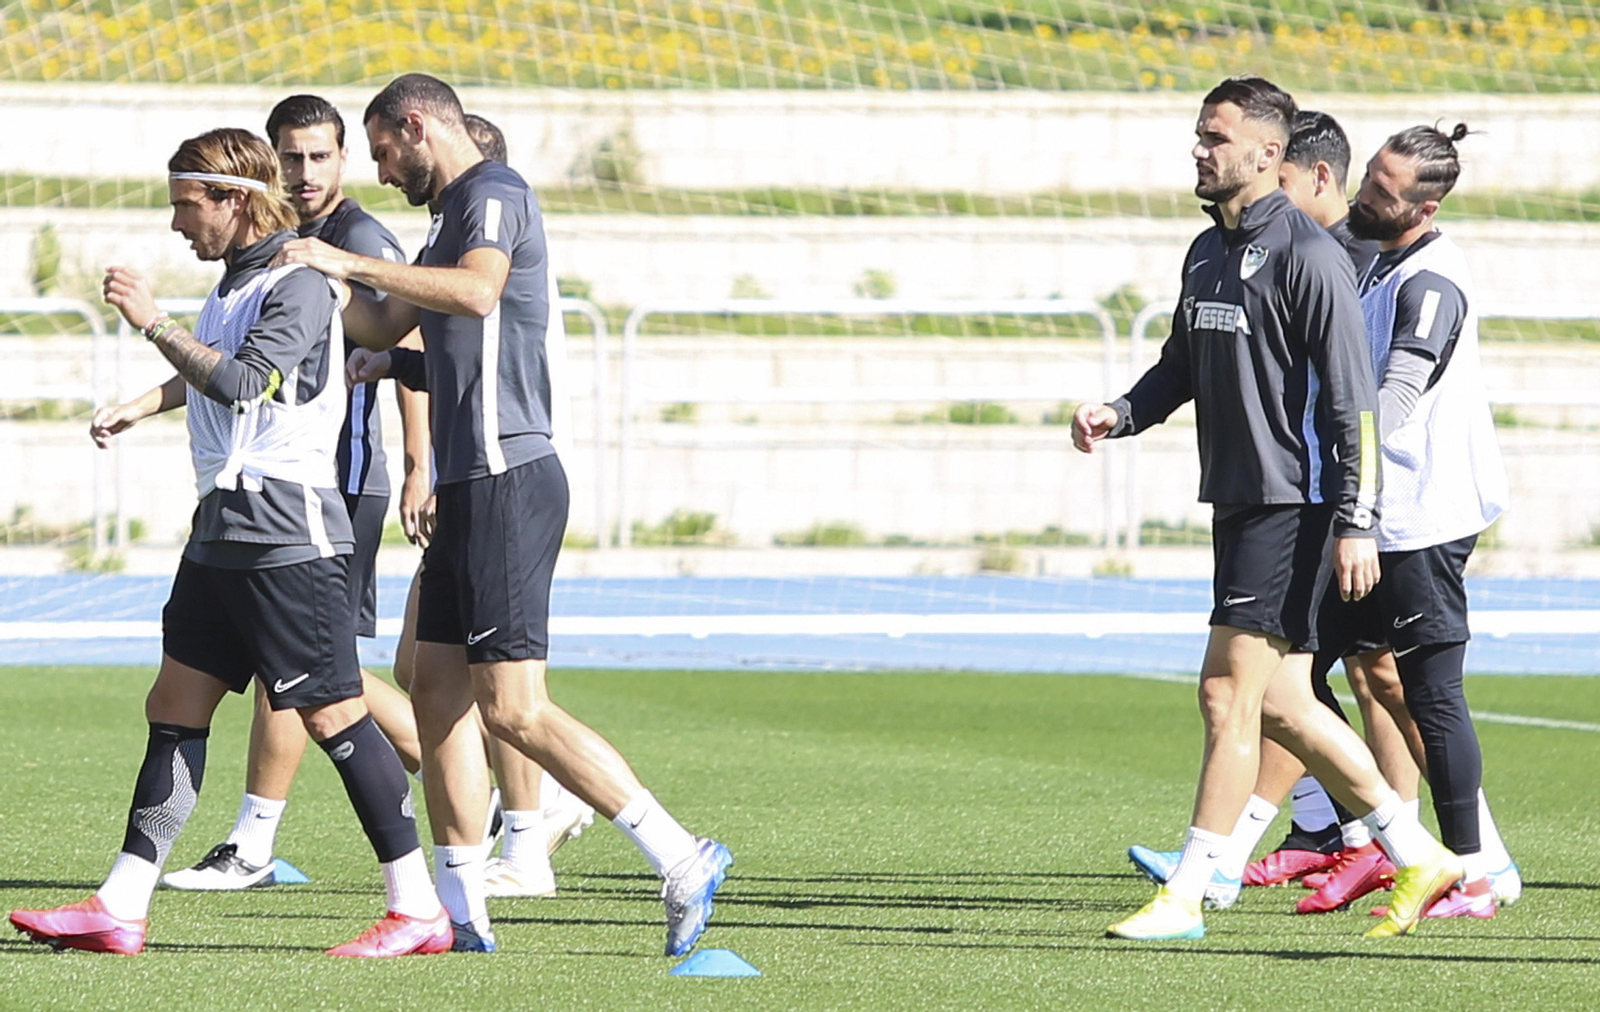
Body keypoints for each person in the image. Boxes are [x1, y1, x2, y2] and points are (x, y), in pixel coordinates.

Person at [277, 74, 730, 956]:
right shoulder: (447, 216)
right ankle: (452, 913)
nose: (381, 169)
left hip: (508, 477)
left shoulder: (493, 193)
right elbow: (382, 324)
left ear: (416, 126)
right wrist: (305, 283)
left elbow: (479, 294)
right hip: (471, 483)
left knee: (514, 709)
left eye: (381, 151)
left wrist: (348, 261)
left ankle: (680, 855)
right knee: (435, 691)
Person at [10, 128, 450, 958]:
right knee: (173, 708)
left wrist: (151, 322)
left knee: (337, 716)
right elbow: (214, 368)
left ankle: (419, 904)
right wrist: (142, 403)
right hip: (220, 532)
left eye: (187, 206)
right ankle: (122, 903)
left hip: (288, 537)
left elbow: (249, 383)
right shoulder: (237, 280)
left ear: (233, 201)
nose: (178, 223)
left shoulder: (297, 280)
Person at [1074, 76, 1457, 942]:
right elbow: (1180, 365)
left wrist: (1356, 520)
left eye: (1216, 136)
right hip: (1241, 502)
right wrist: (1121, 411)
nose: (1200, 149)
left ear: (1267, 153)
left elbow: (1354, 402)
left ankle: (1188, 892)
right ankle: (1417, 851)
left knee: (1224, 693)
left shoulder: (1308, 255)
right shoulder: (1206, 250)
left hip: (1297, 503)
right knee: (1284, 701)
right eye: (1200, 135)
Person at [160, 93, 431, 892]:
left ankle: (462, 801)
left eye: (320, 156)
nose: (305, 172)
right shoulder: (269, 255)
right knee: (302, 673)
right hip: (268, 488)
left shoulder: (351, 241)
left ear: (342, 159)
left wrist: (419, 460)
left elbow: (402, 334)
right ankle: (223, 849)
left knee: (320, 681)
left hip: (328, 483)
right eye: (292, 157)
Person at [1316, 122, 1517, 920]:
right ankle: (1401, 844)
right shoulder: (1381, 257)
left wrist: (1354, 509)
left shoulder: (1431, 281)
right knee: (1292, 677)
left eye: (1386, 191)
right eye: (1371, 175)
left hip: (1416, 517)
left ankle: (1471, 874)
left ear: (1424, 208)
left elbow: (1394, 405)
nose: (1368, 192)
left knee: (1432, 695)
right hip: (1375, 510)